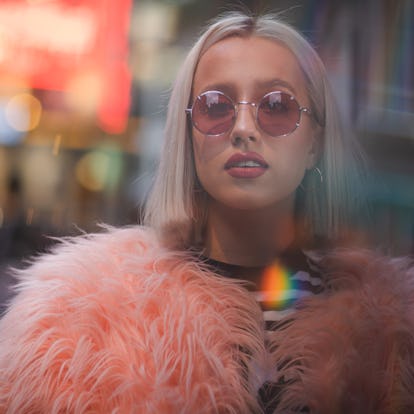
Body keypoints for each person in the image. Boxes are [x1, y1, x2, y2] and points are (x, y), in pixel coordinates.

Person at [1, 11, 414, 414]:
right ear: (188, 135)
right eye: (215, 105)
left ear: (313, 143)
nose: (243, 128)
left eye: (276, 105)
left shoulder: (392, 331)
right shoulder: (82, 317)